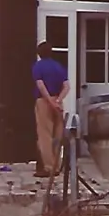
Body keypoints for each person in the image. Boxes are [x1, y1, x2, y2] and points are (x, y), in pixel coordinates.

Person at [32, 41, 69, 177]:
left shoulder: (38, 66)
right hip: (58, 102)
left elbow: (40, 85)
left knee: (45, 135)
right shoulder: (59, 66)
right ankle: (57, 165)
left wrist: (49, 101)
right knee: (58, 135)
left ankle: (48, 167)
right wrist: (58, 100)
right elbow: (67, 86)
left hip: (44, 102)